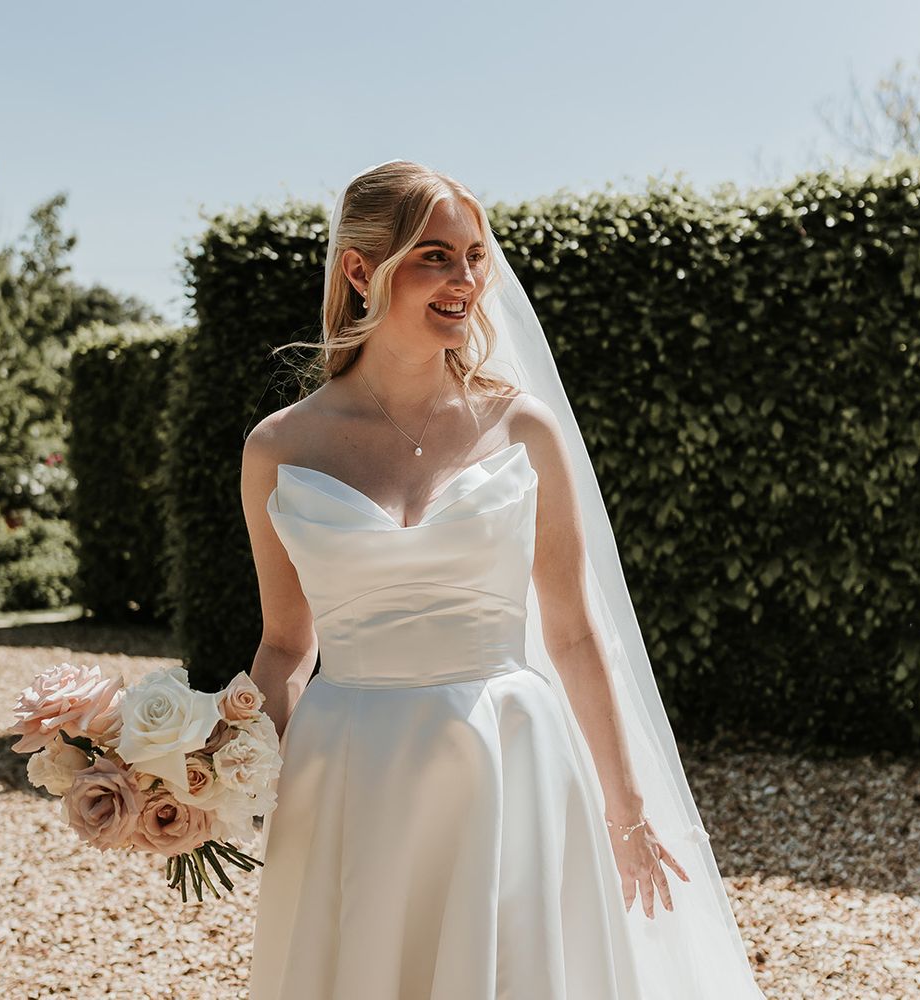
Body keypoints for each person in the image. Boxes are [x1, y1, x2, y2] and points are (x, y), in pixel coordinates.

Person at [241, 160, 766, 999]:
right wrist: (214, 772)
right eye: (434, 257)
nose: (465, 281)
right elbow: (284, 644)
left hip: (505, 757)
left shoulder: (523, 426)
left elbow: (570, 628)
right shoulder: (279, 448)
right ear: (358, 270)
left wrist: (625, 808)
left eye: (475, 256)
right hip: (347, 772)